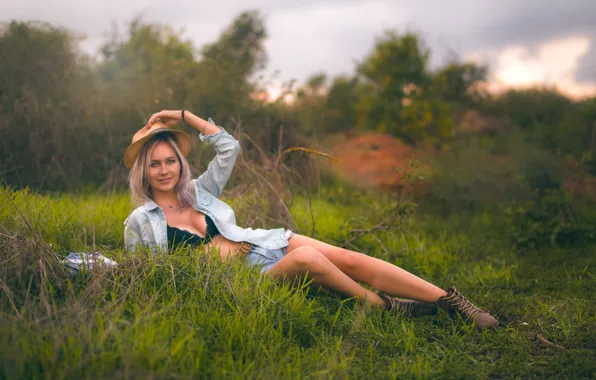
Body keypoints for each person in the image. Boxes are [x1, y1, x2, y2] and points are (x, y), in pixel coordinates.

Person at [123, 109, 499, 330]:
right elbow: (150, 279)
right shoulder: (141, 221)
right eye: (154, 164)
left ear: (180, 163)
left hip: (264, 244)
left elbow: (228, 147)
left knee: (349, 258)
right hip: (250, 279)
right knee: (308, 259)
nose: (164, 170)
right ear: (143, 170)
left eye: (170, 160)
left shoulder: (200, 191)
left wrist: (184, 116)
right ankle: (383, 305)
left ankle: (454, 303)